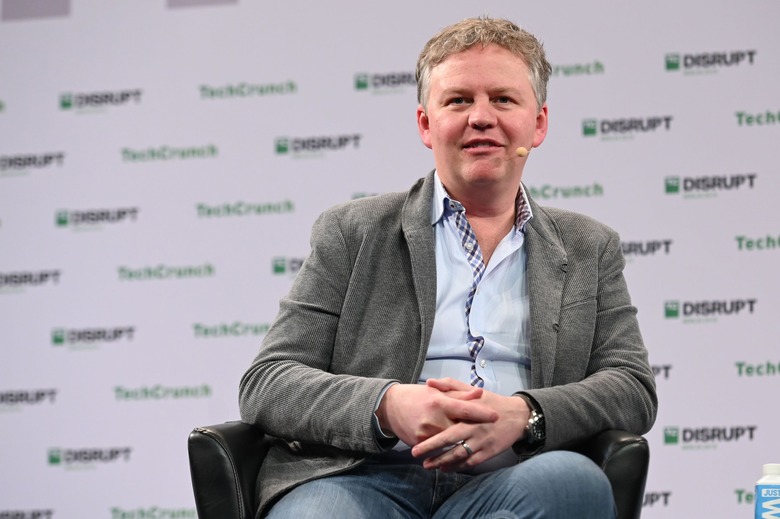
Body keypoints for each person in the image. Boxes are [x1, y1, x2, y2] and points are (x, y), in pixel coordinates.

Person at [239, 16, 657, 519]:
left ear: (539, 123)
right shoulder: (352, 231)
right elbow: (268, 382)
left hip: (513, 481)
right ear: (425, 124)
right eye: (458, 100)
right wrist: (389, 406)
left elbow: (631, 386)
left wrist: (526, 415)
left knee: (573, 483)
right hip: (363, 479)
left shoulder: (589, 246)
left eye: (503, 99)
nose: (481, 117)